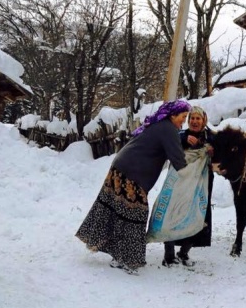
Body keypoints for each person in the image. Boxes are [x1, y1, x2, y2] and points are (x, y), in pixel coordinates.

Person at [75, 100, 191, 275]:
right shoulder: (168, 129)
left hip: (121, 166)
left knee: (118, 211)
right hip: (132, 172)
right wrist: (196, 170)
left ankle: (118, 257)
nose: (184, 121)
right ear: (173, 115)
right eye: (183, 117)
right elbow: (179, 160)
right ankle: (128, 260)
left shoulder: (159, 124)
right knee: (135, 213)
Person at [162, 105, 215, 268]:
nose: (194, 121)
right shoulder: (179, 135)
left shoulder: (211, 137)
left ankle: (184, 253)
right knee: (174, 214)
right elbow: (169, 145)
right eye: (192, 118)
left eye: (198, 118)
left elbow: (222, 153)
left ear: (204, 120)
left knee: (197, 215)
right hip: (180, 182)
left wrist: (213, 151)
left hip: (201, 183)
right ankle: (169, 256)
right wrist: (184, 140)